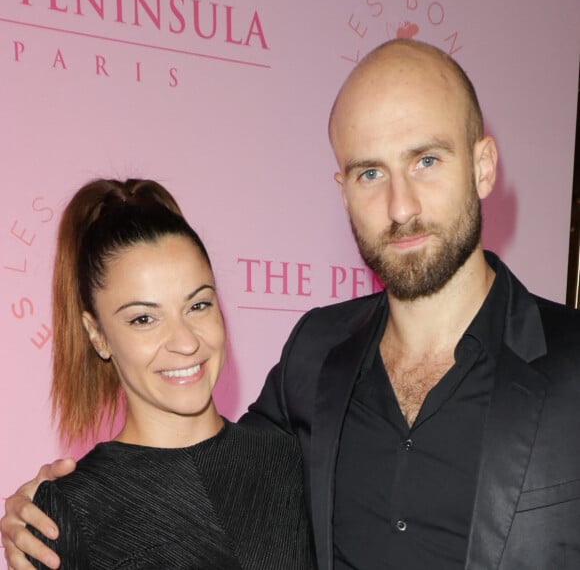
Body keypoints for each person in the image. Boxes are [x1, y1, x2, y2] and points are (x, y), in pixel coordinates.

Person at [3, 38, 580, 569]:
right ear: (343, 190)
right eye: (371, 172)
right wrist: (51, 511)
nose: (401, 207)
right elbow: (202, 468)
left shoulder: (573, 364)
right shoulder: (315, 355)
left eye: (426, 160)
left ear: (482, 166)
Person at [1, 178, 315, 570]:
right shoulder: (65, 514)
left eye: (198, 305)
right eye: (144, 318)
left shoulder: (294, 463)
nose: (184, 342)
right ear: (97, 335)